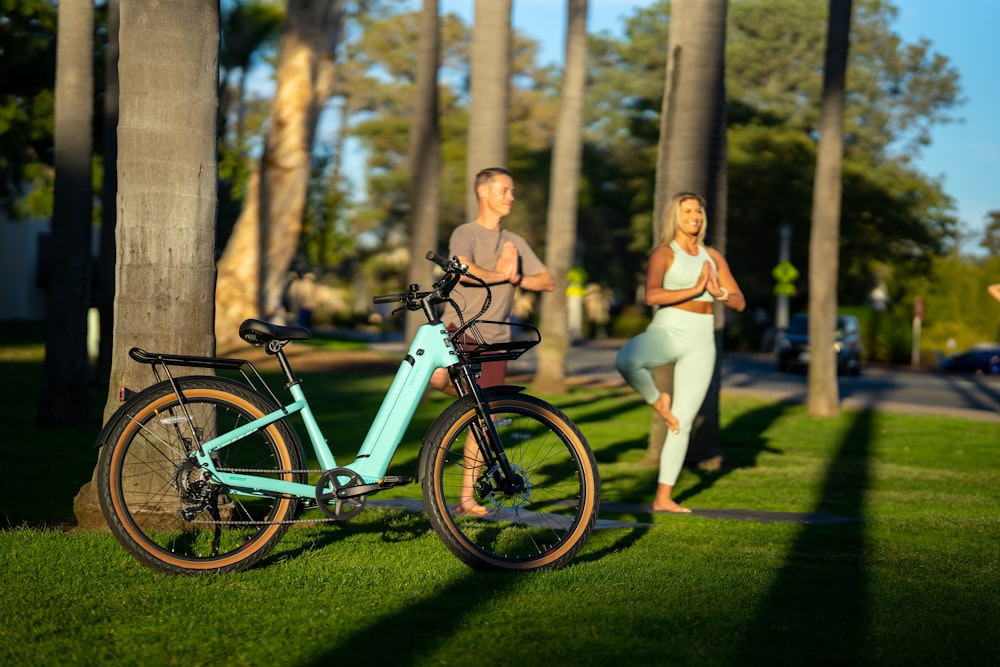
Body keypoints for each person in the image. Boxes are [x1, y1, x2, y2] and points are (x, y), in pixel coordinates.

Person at [430, 167, 554, 514]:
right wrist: (503, 273)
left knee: (483, 420)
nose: (511, 197)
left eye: (512, 191)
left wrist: (516, 274)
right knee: (438, 377)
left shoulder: (515, 241)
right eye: (504, 190)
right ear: (484, 193)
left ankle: (467, 499)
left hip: (495, 337)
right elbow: (462, 270)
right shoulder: (465, 232)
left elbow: (546, 280)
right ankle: (475, 403)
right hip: (460, 327)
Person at [615, 191, 745, 513]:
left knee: (682, 422)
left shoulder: (712, 256)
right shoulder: (664, 253)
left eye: (699, 211)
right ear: (676, 215)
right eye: (688, 210)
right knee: (627, 359)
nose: (695, 216)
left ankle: (663, 498)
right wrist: (695, 289)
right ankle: (657, 399)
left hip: (702, 338)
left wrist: (720, 292)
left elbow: (739, 302)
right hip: (669, 329)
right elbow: (651, 295)